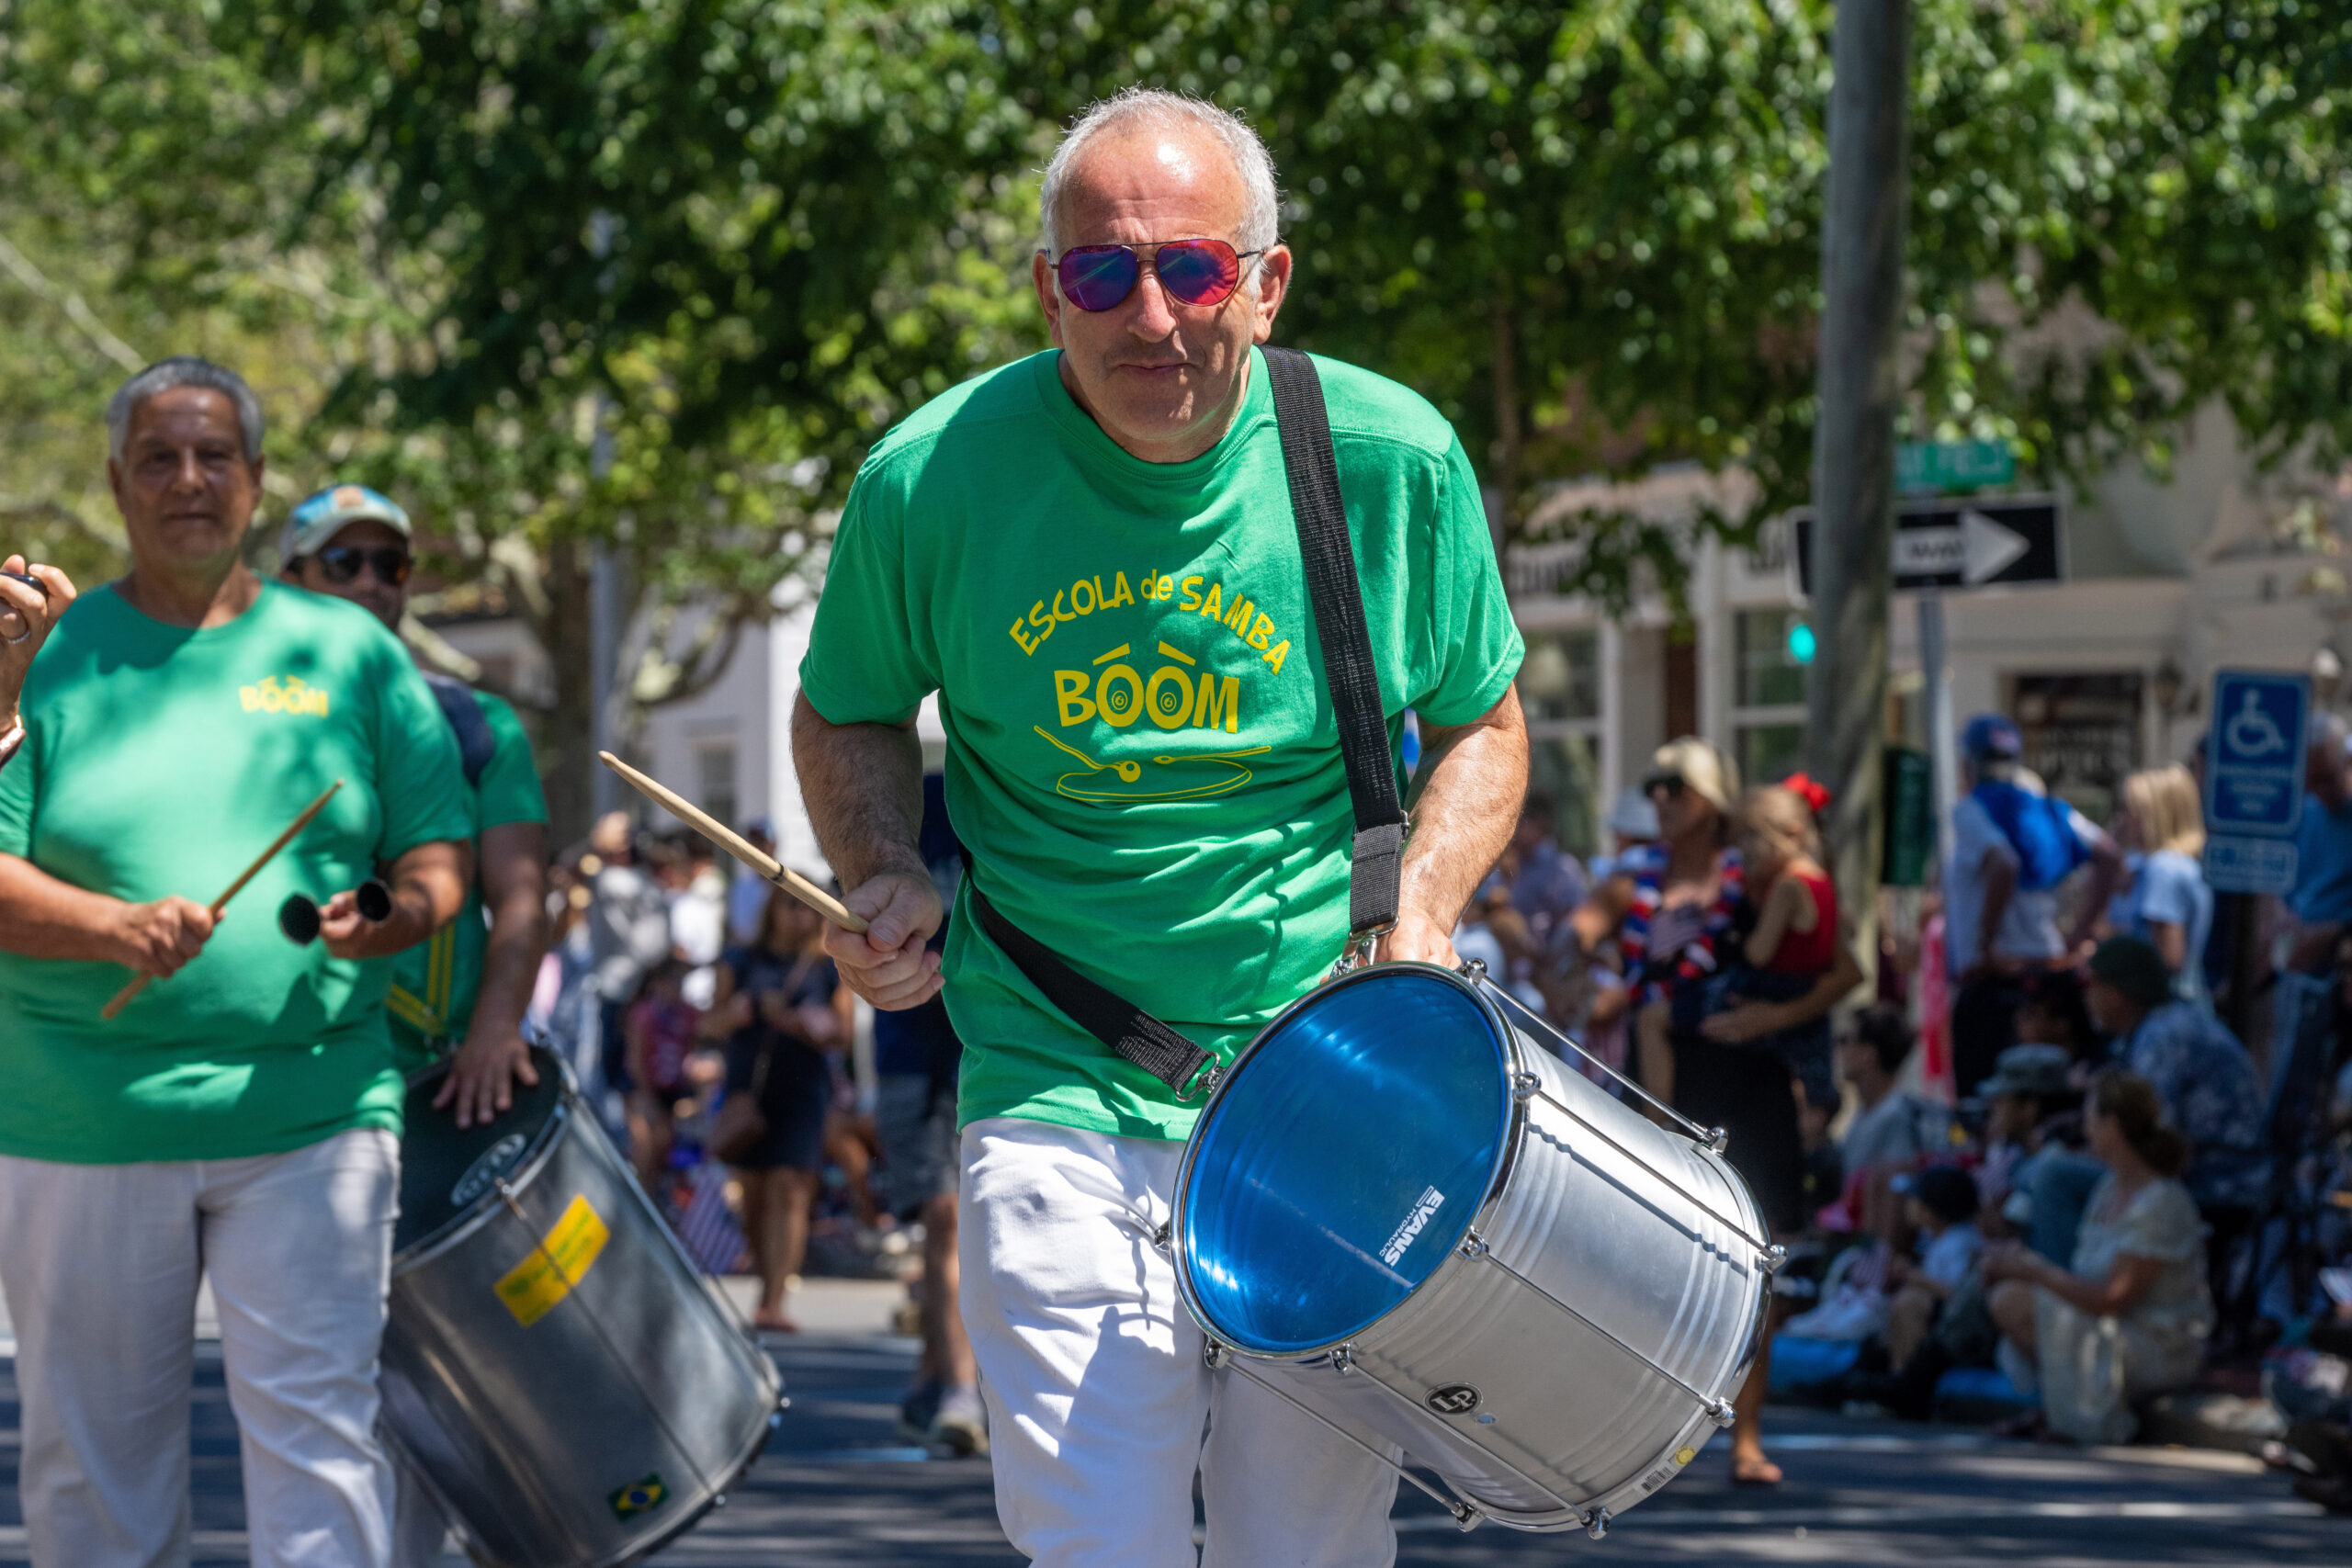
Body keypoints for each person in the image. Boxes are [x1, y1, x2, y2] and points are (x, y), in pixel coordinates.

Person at [793, 89, 1529, 1562]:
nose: (1150, 315)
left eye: (1192, 269)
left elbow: (1484, 728)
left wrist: (1427, 917)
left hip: (1327, 1093)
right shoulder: (931, 479)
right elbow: (849, 708)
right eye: (1099, 272)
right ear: (1047, 288)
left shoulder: (1391, 459)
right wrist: (880, 864)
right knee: (1096, 1544)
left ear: (1265, 282)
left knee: (1303, 1550)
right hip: (1059, 1085)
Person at [0, 356, 471, 1567]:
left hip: (313, 1112)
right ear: (115, 482)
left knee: (322, 1447)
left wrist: (395, 911)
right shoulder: (46, 653)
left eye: (215, 455)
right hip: (81, 1114)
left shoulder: (351, 654)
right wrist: (109, 928)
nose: (189, 479)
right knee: (92, 1468)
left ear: (258, 481)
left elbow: (438, 856)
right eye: (158, 456)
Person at [1571, 737, 1863, 1487]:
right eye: (1654, 785)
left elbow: (1843, 970)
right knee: (1645, 1259)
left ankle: (1747, 1436)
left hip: (1749, 1079)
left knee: (1757, 1257)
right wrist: (1579, 972)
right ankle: (1631, 1440)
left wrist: (1771, 1022)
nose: (1661, 800)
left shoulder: (1756, 873)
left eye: (1677, 786)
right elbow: (1573, 942)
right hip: (1661, 1085)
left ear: (1712, 797)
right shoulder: (1634, 877)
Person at [277, 481, 550, 1129]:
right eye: (344, 564)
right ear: (288, 581)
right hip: (294, 1075)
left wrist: (495, 1024)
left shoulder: (477, 723)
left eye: (390, 564)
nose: (372, 581)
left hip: (443, 1082)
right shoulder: (257, 721)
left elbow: (521, 895)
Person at [1984, 1073, 2214, 1443]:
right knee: (2009, 1294)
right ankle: (2058, 1410)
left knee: (2015, 1300)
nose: (2085, 1130)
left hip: (2155, 1342)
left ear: (2112, 1125)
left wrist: (2034, 1270)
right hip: (2107, 1327)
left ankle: (2080, 1416)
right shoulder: (2107, 1188)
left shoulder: (2161, 1201)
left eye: (2090, 1119)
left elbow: (2113, 1298)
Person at [876, 773, 986, 1455]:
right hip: (909, 1046)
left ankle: (950, 1384)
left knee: (964, 1216)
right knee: (943, 1216)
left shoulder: (1001, 788)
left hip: (986, 1037)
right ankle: (950, 1378)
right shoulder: (887, 802)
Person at [1944, 713, 2121, 1096]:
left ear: (1968, 765)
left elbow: (2004, 865)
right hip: (2050, 980)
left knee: (1986, 1103)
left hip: (1994, 984)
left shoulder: (1973, 809)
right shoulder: (2050, 810)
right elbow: (2109, 854)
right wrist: (2080, 933)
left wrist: (1987, 942)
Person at [2083, 935, 2267, 1302]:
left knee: (2058, 1178)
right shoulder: (2158, 1026)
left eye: (2094, 986)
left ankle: (2076, 1303)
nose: (2087, 998)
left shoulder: (2163, 1036)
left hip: (2223, 1180)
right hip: (2210, 1170)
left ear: (2119, 992)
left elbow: (2145, 1138)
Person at [713, 888, 843, 1333]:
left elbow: (841, 1032)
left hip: (802, 1087)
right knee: (752, 1193)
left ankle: (773, 1298)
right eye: (791, 905)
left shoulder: (827, 966)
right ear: (772, 910)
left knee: (791, 1189)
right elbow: (706, 1022)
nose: (800, 916)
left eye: (809, 907)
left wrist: (806, 1024)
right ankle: (765, 1280)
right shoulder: (741, 959)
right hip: (749, 1086)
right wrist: (735, 1014)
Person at [2106, 763, 2213, 1005]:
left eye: (2130, 809)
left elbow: (2168, 959)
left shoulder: (2164, 870)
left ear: (2155, 813)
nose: (2123, 818)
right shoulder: (2148, 865)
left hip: (2163, 1010)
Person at [584, 810, 671, 1104]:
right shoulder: (640, 884)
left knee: (626, 1087)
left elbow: (652, 948)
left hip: (626, 994)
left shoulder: (618, 881)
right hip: (629, 991)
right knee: (627, 1086)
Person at [1882, 1165, 1985, 1370]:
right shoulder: (1937, 1237)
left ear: (1933, 1210)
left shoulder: (1961, 1242)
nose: (1908, 1204)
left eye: (1914, 1199)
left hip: (1963, 1332)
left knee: (1909, 1302)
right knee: (1901, 1301)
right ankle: (1898, 1375)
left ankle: (1907, 1382)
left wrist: (1917, 1279)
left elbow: (1958, 1297)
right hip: (1946, 1325)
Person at [1837, 1003, 1951, 1177]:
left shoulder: (1897, 1117)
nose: (1839, 1049)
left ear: (1869, 1053)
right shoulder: (1867, 1112)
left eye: (1845, 1040)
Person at [625, 956, 699, 1191]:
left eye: (679, 983)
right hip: (642, 1090)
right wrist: (647, 1098)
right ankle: (637, 1197)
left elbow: (693, 1047)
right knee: (645, 1146)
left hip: (672, 1093)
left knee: (664, 1146)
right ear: (657, 984)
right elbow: (635, 1062)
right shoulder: (643, 1014)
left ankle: (652, 1199)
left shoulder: (687, 1014)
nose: (674, 989)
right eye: (670, 983)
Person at [2290, 715, 2352, 974]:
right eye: (2311, 781)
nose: (2320, 790)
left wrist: (2336, 931)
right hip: (2298, 959)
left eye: (2327, 778)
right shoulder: (2304, 811)